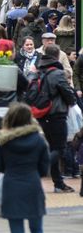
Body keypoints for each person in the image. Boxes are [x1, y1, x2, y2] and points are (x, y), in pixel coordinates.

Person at [0, 103, 50, 233]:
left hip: (12, 187)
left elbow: (0, 167)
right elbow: (44, 169)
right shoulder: (39, 141)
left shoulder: (3, 142)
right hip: (33, 186)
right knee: (37, 231)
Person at [32, 45, 76, 193]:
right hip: (56, 114)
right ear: (57, 56)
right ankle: (36, 172)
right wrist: (72, 101)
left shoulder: (38, 70)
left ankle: (58, 183)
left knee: (53, 148)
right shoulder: (57, 73)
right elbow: (67, 92)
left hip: (42, 115)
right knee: (60, 148)